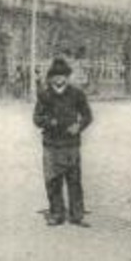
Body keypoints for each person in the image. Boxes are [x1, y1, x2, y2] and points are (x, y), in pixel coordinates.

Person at [33, 57, 93, 227]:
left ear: (68, 77)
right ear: (51, 78)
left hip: (71, 144)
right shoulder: (44, 95)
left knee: (74, 179)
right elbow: (36, 118)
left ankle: (77, 214)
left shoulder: (77, 94)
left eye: (63, 75)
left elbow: (88, 116)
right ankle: (56, 213)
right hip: (51, 144)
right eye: (56, 75)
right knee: (53, 180)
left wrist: (79, 126)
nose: (59, 79)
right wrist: (49, 122)